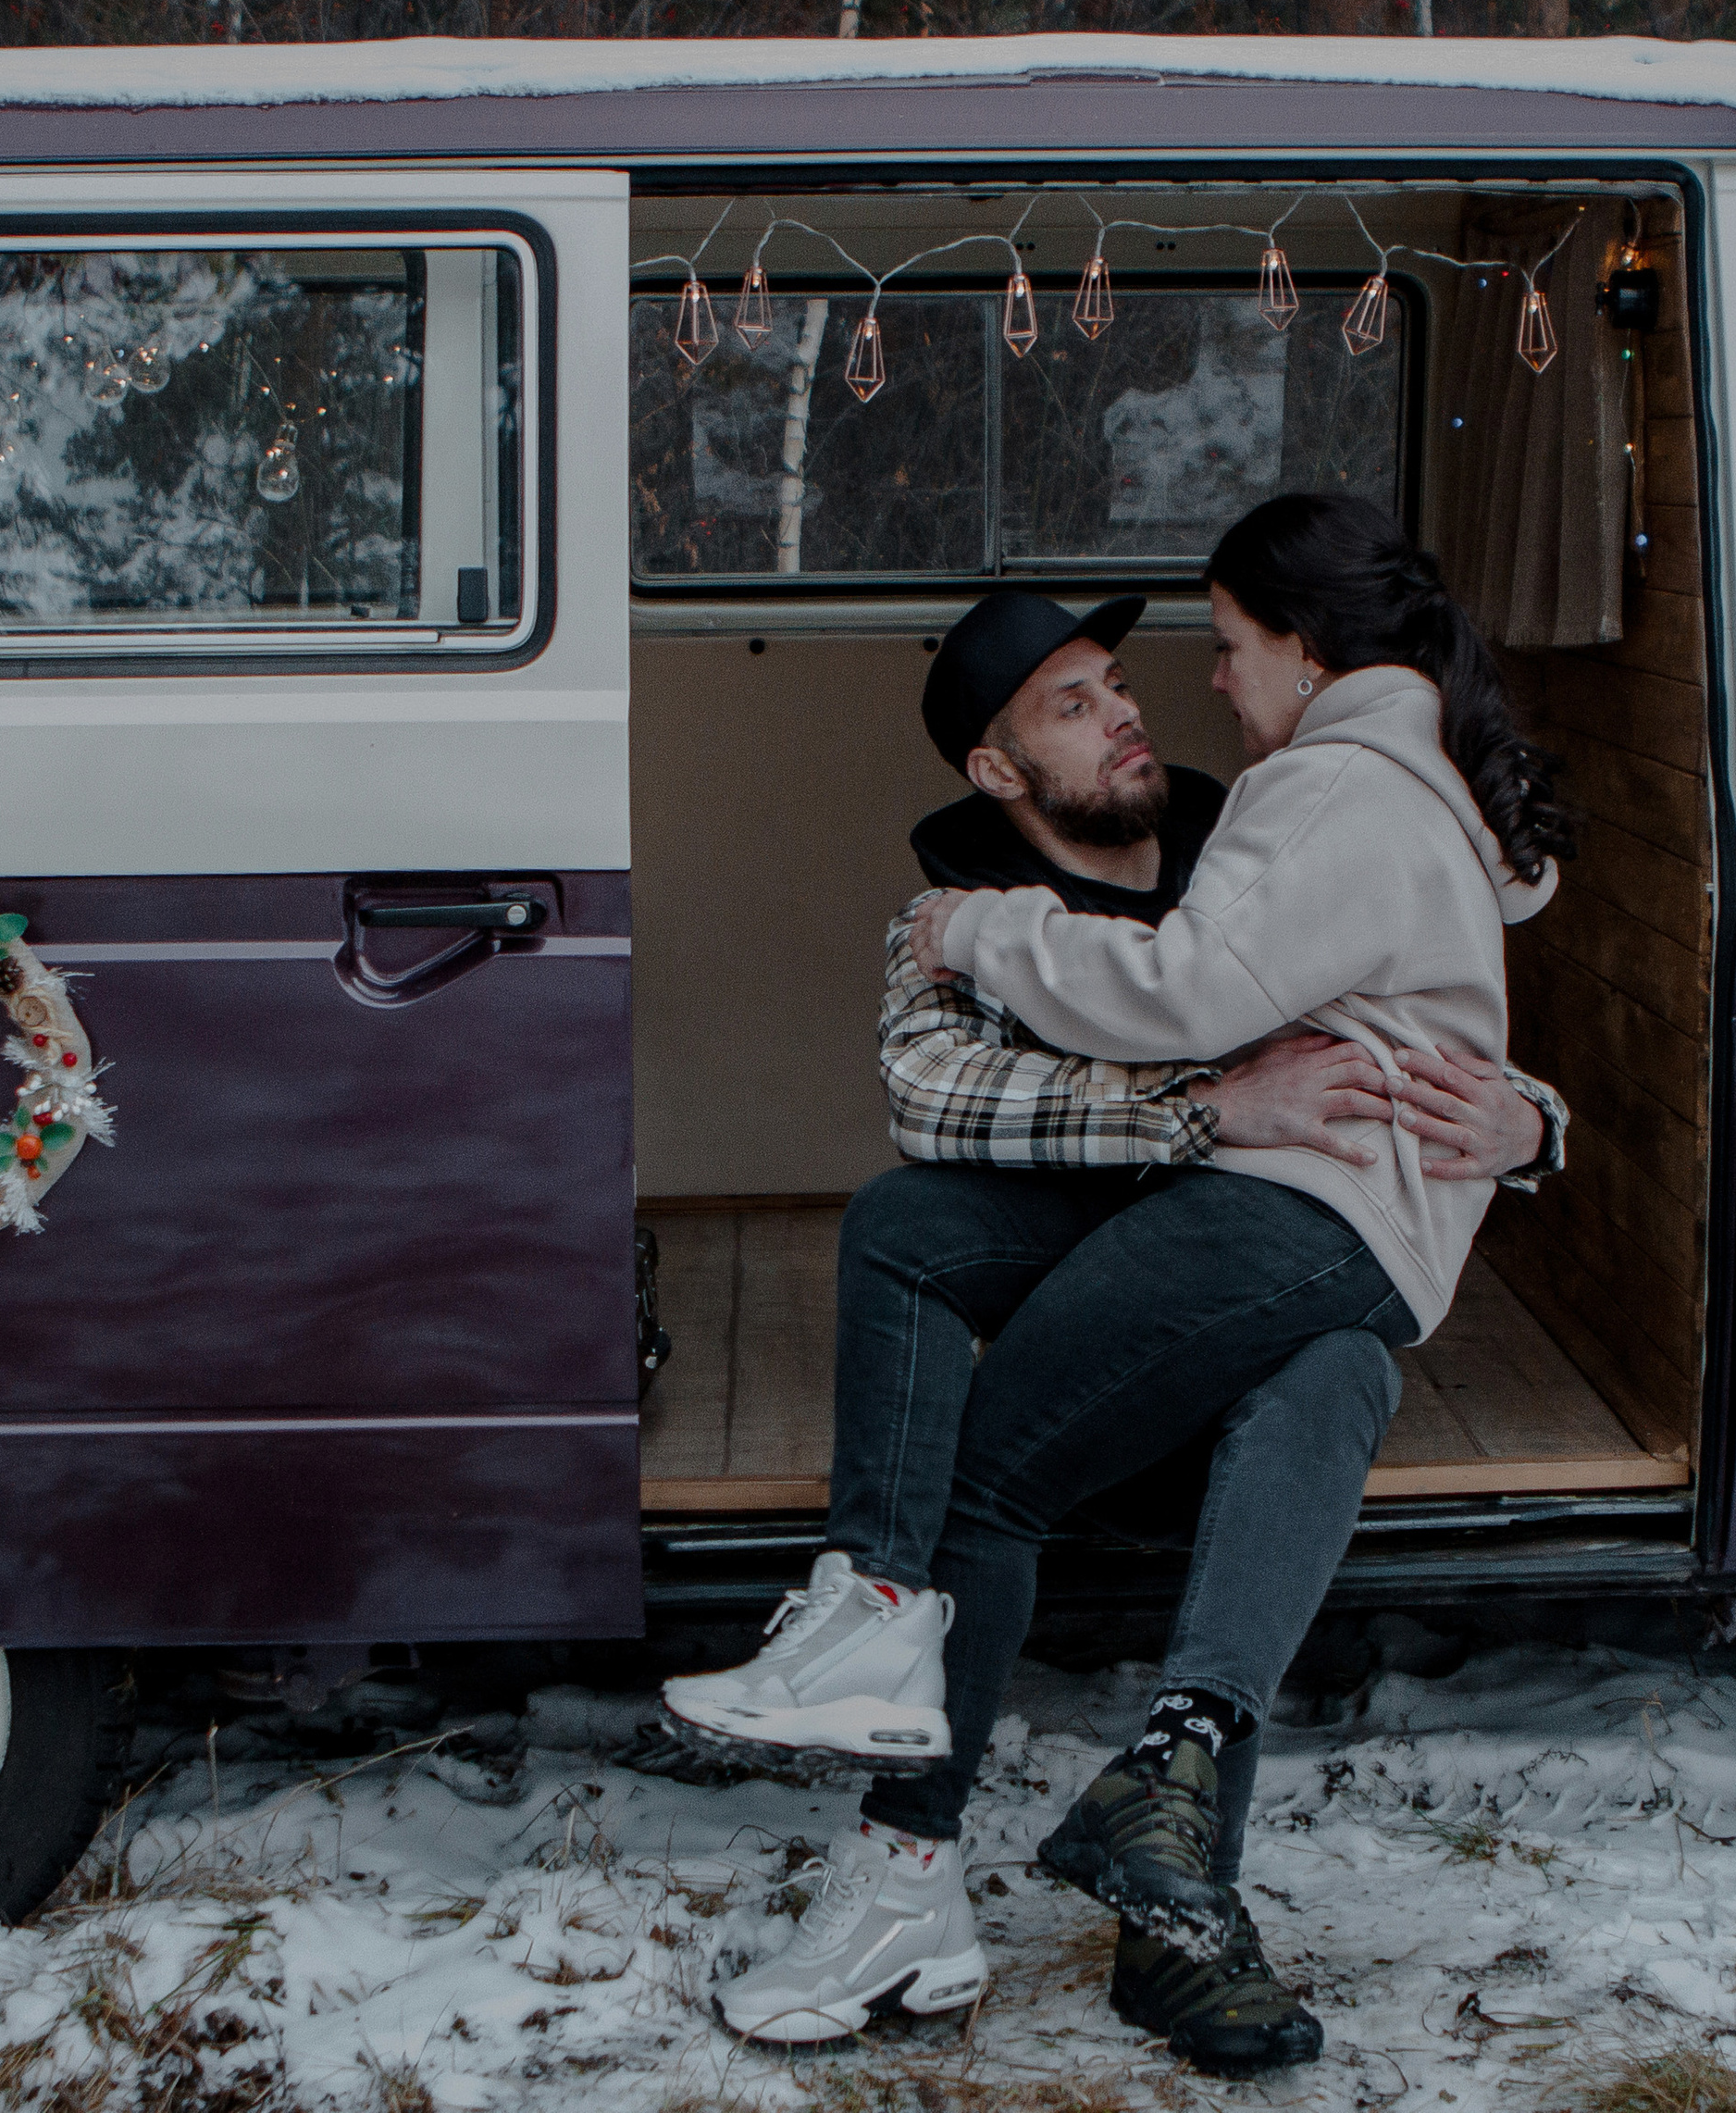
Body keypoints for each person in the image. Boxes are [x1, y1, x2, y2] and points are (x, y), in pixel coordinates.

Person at [664, 537, 1569, 2066]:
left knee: (1338, 1364)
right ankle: (890, 1678)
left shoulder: (1255, 831)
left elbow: (1404, 1007)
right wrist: (1205, 1111)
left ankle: (1168, 1901)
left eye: (1126, 682)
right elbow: (933, 1101)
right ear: (1000, 765)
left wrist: (1536, 1123)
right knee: (911, 1232)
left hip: (1237, 1308)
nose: (1137, 713)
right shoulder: (943, 905)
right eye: (1075, 704)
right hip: (1119, 1320)